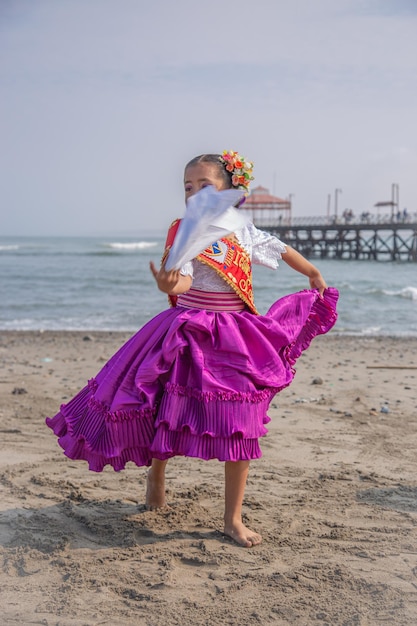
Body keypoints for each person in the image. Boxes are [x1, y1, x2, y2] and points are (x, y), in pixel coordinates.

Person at [46, 150, 338, 548]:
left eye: (205, 186)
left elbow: (279, 248)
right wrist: (169, 285)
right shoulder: (183, 230)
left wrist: (313, 273)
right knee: (165, 410)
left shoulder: (240, 229)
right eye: (188, 186)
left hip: (235, 334)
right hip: (185, 332)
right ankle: (156, 476)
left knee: (241, 420)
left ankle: (233, 518)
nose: (195, 193)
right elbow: (181, 281)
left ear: (229, 191)